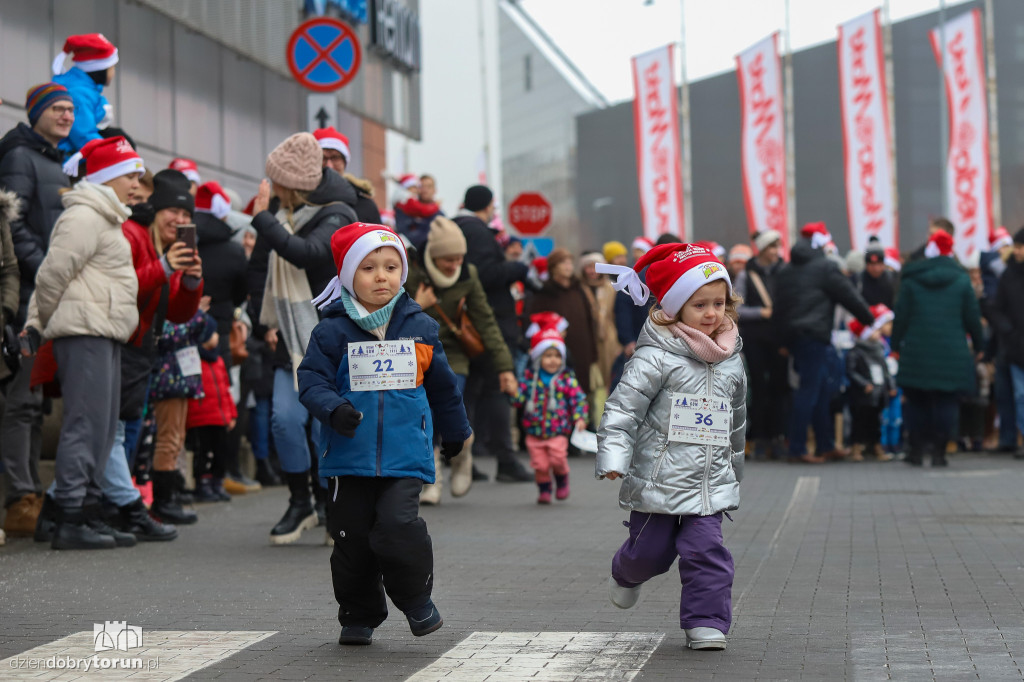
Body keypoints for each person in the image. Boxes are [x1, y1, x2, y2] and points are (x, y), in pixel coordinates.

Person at [297, 222, 471, 646]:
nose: (381, 276)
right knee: (352, 540)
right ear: (347, 276)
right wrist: (334, 409)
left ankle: (416, 601)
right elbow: (311, 381)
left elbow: (444, 388)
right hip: (347, 458)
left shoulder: (421, 328)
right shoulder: (330, 331)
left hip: (405, 454)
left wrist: (454, 433)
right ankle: (359, 613)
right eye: (369, 267)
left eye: (391, 267)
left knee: (397, 526)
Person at [596, 243, 746, 651]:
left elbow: (737, 415)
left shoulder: (731, 355)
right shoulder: (655, 357)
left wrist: (735, 468)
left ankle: (707, 621)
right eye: (700, 305)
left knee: (706, 550)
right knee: (651, 551)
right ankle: (627, 572)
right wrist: (613, 457)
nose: (712, 313)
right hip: (659, 478)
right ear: (674, 308)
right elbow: (622, 409)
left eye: (719, 303)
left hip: (707, 482)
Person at [22, 136, 143, 550]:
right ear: (107, 176)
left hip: (104, 330)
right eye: (130, 174)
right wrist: (36, 323)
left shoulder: (105, 217)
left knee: (103, 428)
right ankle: (70, 515)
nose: (137, 183)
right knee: (85, 425)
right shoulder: (84, 216)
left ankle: (85, 511)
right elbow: (53, 273)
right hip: (83, 331)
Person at [247, 132, 358, 543]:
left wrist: (262, 219)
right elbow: (261, 266)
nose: (272, 188)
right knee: (285, 418)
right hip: (288, 335)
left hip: (330, 337)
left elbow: (309, 253)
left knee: (323, 426)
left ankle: (334, 504)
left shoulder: (338, 212)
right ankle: (300, 500)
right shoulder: (282, 213)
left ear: (293, 184)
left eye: (277, 182)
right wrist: (265, 321)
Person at [0, 82, 74, 536]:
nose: (66, 115)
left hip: (45, 295)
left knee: (35, 402)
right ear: (37, 113)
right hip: (29, 294)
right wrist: (47, 270)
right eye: (57, 109)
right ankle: (20, 497)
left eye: (70, 108)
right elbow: (15, 228)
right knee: (21, 402)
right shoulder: (19, 157)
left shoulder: (53, 160)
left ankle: (30, 493)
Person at [404, 216, 515, 504]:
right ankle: (432, 480)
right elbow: (394, 319)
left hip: (453, 353)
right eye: (448, 260)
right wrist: (419, 306)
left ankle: (463, 454)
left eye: (459, 258)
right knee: (424, 414)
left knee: (452, 407)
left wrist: (505, 368)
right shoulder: (411, 273)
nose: (454, 265)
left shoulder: (468, 274)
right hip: (415, 351)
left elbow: (486, 321)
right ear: (433, 256)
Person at [775, 222, 873, 463]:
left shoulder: (787, 270)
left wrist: (782, 339)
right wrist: (868, 318)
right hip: (815, 335)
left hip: (795, 337)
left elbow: (779, 307)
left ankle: (825, 444)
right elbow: (847, 294)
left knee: (818, 390)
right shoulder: (825, 267)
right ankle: (797, 448)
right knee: (809, 391)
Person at [455, 185, 533, 482]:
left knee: (471, 394)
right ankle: (506, 461)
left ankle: (464, 459)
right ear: (488, 206)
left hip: (467, 326)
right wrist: (517, 268)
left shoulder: (455, 228)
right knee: (499, 387)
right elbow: (486, 275)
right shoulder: (478, 232)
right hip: (490, 325)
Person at [892, 230, 984, 467]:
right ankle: (940, 452)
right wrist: (980, 345)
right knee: (946, 403)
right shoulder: (962, 280)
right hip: (951, 351)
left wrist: (895, 345)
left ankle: (915, 451)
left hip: (916, 351)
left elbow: (901, 316)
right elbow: (972, 318)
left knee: (916, 402)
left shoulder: (911, 280)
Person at [511, 326, 588, 504]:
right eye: (548, 356)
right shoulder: (530, 378)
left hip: (558, 430)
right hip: (534, 430)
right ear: (538, 358)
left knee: (558, 458)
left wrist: (580, 417)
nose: (553, 361)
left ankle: (562, 479)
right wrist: (512, 391)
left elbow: (578, 398)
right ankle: (544, 490)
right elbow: (519, 399)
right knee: (540, 464)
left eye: (557, 356)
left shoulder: (566, 378)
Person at [734, 230, 787, 459]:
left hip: (779, 339)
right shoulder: (747, 274)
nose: (776, 252)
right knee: (758, 389)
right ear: (763, 250)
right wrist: (761, 312)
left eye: (777, 247)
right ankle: (756, 438)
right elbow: (736, 308)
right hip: (755, 339)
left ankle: (777, 437)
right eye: (771, 247)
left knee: (779, 388)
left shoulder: (784, 272)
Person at [525, 248, 599, 399]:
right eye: (563, 262)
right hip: (555, 355)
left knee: (582, 394)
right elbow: (532, 323)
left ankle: (584, 421)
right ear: (553, 267)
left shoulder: (578, 289)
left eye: (570, 262)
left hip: (582, 353)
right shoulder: (545, 292)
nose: (568, 266)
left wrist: (593, 352)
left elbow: (590, 321)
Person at [186, 314, 238, 501]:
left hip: (219, 417)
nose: (217, 335)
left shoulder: (219, 361)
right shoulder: (194, 360)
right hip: (200, 417)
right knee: (203, 453)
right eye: (213, 332)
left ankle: (217, 483)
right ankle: (203, 485)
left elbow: (225, 390)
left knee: (220, 452)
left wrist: (231, 414)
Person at [988, 228, 1024, 459]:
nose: (1016, 251)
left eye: (1020, 247)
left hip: (1014, 344)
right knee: (1020, 395)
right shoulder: (1009, 274)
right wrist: (1008, 331)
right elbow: (996, 309)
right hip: (1016, 346)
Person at [51, 34, 119, 154]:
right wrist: (109, 154)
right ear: (100, 68)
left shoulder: (84, 90)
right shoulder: (79, 94)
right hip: (70, 159)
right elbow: (82, 134)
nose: (114, 73)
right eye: (112, 67)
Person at [845, 305, 897, 462]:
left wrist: (891, 386)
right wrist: (863, 384)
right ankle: (856, 447)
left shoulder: (879, 350)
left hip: (878, 391)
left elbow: (885, 370)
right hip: (863, 394)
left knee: (876, 421)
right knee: (859, 421)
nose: (878, 333)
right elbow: (851, 371)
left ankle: (875, 446)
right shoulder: (856, 351)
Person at [313, 127, 382, 224]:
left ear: (345, 162)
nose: (329, 165)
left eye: (335, 158)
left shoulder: (365, 205)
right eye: (322, 157)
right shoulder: (296, 200)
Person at [579, 251, 620, 412]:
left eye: (595, 266)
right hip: (589, 339)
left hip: (609, 339)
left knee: (612, 378)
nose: (592, 271)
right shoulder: (580, 289)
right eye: (588, 267)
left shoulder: (611, 288)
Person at [394, 174, 441, 250]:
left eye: (429, 187)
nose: (425, 190)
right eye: (421, 186)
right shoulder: (405, 208)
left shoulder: (439, 215)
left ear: (435, 190)